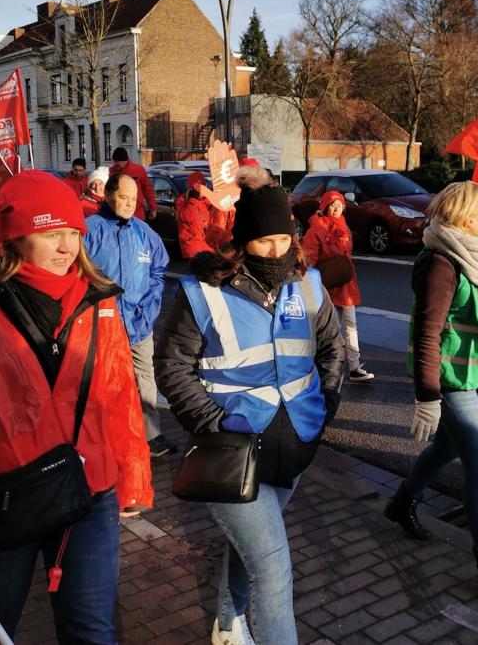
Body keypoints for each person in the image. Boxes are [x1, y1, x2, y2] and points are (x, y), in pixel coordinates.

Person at [155, 178, 345, 645]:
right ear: (242, 242)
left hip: (293, 444)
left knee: (252, 551)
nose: (278, 250)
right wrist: (212, 424)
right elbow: (172, 365)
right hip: (232, 451)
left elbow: (332, 351)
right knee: (274, 572)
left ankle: (226, 623)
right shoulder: (204, 292)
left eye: (285, 238)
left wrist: (325, 409)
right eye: (266, 239)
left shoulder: (309, 285)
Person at [0, 170, 152, 643]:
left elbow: (118, 390)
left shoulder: (97, 297)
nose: (67, 246)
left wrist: (133, 477)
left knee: (91, 630)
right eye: (52, 233)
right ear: (17, 236)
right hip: (4, 493)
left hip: (90, 488)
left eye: (73, 232)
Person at [383, 181, 478, 613]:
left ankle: (404, 501)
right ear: (466, 220)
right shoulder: (443, 262)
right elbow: (428, 333)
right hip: (448, 379)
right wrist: (427, 396)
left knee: (447, 445)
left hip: (469, 375)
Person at [84, 173, 174, 457]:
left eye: (134, 199)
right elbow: (78, 276)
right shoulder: (90, 230)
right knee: (102, 382)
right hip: (102, 328)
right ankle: (105, 438)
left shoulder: (145, 233)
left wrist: (148, 311)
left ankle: (152, 436)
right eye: (124, 197)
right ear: (109, 195)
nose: (129, 204)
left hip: (139, 324)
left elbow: (158, 272)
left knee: (145, 378)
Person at [302, 189, 374, 383]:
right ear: (325, 207)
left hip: (344, 281)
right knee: (327, 328)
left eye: (339, 206)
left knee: (351, 325)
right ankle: (325, 369)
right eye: (332, 206)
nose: (336, 209)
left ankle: (354, 366)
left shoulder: (343, 224)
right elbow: (309, 259)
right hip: (326, 283)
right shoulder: (317, 228)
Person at [109, 146, 157, 221]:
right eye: (114, 161)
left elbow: (148, 190)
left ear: (125, 160)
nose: (115, 164)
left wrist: (153, 208)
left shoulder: (138, 170)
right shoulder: (111, 172)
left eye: (117, 161)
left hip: (137, 214)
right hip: (118, 214)